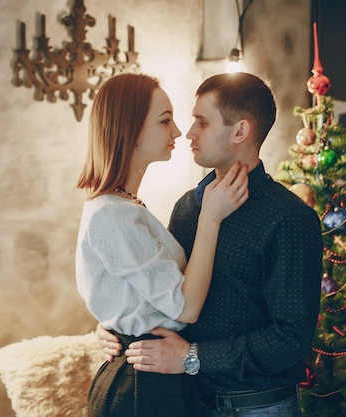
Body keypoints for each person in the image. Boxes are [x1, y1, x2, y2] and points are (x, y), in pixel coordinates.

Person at [97, 72, 323, 417]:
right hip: (186, 402)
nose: (188, 133)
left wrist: (193, 358)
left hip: (256, 408)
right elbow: (167, 295)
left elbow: (291, 339)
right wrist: (116, 327)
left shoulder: (290, 219)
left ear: (240, 131)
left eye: (202, 122)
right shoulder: (187, 208)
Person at [75, 72, 249, 417]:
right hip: (144, 387)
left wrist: (116, 323)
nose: (178, 132)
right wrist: (210, 219)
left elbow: (132, 292)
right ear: (131, 129)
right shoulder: (113, 215)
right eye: (165, 120)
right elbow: (185, 307)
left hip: (155, 373)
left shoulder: (127, 208)